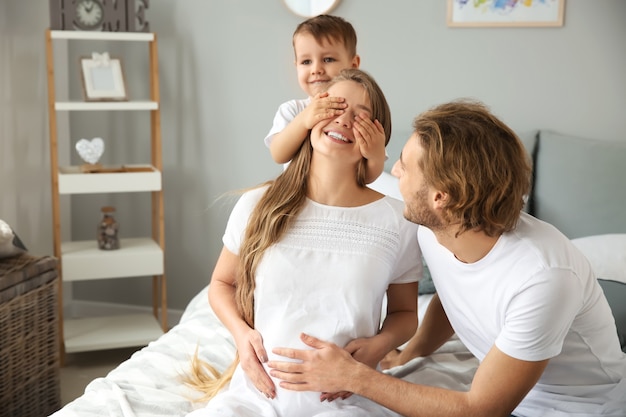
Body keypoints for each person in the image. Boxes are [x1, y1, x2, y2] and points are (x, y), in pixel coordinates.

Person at [267, 99, 626, 417]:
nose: (394, 172)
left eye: (405, 167)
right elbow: (455, 293)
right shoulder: (435, 229)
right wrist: (410, 353)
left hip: (582, 408)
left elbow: (483, 409)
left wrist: (353, 376)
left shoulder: (544, 278)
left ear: (442, 197)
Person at [185, 68, 422, 417]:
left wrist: (377, 348)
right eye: (334, 106)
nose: (343, 120)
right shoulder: (258, 205)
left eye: (361, 117)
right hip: (256, 397)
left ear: (378, 137)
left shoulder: (397, 220)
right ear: (309, 117)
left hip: (347, 401)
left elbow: (405, 314)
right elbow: (222, 283)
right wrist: (241, 335)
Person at [265, 14, 386, 185]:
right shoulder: (293, 110)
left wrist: (376, 155)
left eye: (328, 59)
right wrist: (303, 120)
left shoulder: (358, 113)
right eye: (306, 62)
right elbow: (278, 154)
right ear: (296, 66)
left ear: (353, 65)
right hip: (297, 199)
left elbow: (366, 178)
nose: (316, 69)